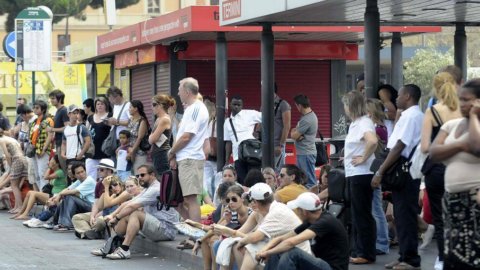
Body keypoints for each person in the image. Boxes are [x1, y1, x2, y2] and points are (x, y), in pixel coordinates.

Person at [371, 84, 424, 270]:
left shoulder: (412, 116)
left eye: (399, 95)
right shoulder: (408, 115)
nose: (396, 99)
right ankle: (404, 256)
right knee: (400, 216)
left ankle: (410, 259)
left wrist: (380, 171)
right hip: (402, 169)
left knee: (405, 215)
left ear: (408, 96)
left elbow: (400, 145)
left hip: (405, 171)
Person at [429, 78, 480, 270]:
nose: (463, 104)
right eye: (461, 99)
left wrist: (475, 116)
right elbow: (434, 153)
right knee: (454, 256)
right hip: (452, 201)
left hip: (474, 201)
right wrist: (460, 144)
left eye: (468, 100)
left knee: (473, 258)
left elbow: (476, 147)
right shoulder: (452, 125)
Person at [419, 71, 461, 270]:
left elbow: (425, 147)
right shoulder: (466, 110)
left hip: (436, 169)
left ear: (436, 88)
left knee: (440, 215)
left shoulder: (433, 111)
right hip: (461, 168)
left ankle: (444, 258)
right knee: (460, 212)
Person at [215, 183, 311, 270]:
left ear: (255, 202)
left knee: (251, 247)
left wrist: (230, 233)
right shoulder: (265, 211)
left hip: (296, 259)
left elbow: (255, 238)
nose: (248, 202)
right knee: (235, 244)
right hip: (284, 253)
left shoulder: (276, 212)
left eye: (249, 199)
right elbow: (243, 233)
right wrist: (229, 233)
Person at [92, 165, 178, 260]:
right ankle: (110, 246)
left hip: (166, 230)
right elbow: (128, 203)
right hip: (156, 226)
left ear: (152, 174)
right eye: (138, 176)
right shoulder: (148, 188)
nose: (140, 178)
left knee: (134, 213)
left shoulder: (155, 189)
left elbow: (132, 206)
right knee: (126, 214)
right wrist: (113, 215)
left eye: (142, 175)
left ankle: (124, 249)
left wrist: (116, 218)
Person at [257, 192, 349, 270]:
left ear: (304, 211)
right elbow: (281, 238)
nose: (296, 212)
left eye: (297, 209)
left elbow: (291, 242)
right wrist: (264, 250)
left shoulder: (325, 221)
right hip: (322, 264)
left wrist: (267, 253)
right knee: (278, 249)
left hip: (333, 268)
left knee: (292, 253)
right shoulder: (311, 220)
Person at [342, 90, 378, 264]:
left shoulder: (364, 123)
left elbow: (372, 141)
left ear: (351, 106)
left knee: (362, 214)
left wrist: (363, 157)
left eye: (346, 105)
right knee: (357, 213)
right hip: (355, 173)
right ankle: (358, 250)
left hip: (361, 173)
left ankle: (365, 252)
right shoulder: (356, 123)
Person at [168, 77, 209, 222]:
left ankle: (196, 235)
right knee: (179, 200)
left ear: (186, 91)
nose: (178, 94)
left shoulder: (196, 108)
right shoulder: (191, 109)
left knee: (191, 199)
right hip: (184, 158)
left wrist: (171, 152)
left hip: (190, 159)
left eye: (179, 90)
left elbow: (186, 137)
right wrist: (174, 155)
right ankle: (191, 231)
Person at [365, 98, 390, 255]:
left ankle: (381, 242)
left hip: (373, 170)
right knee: (375, 207)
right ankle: (380, 241)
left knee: (376, 207)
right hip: (374, 169)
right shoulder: (381, 127)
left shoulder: (377, 129)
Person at [72, 175, 129, 239]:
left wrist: (107, 187)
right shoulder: (108, 193)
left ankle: (90, 233)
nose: (113, 188)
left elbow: (108, 204)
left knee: (99, 222)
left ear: (120, 183)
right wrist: (92, 216)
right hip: (104, 215)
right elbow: (98, 206)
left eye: (115, 185)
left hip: (113, 217)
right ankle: (88, 232)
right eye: (110, 187)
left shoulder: (125, 192)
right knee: (76, 217)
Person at [13, 155, 67, 222]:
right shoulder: (56, 172)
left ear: (57, 163)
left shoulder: (60, 172)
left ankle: (25, 214)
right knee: (30, 192)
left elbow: (45, 177)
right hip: (52, 195)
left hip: (57, 197)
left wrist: (49, 168)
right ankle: (21, 212)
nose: (49, 162)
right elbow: (46, 177)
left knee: (33, 193)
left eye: (52, 161)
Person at [224, 95, 262, 185]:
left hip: (253, 154)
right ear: (230, 105)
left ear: (242, 105)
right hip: (238, 156)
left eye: (239, 105)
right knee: (242, 182)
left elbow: (268, 118)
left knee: (254, 181)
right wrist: (227, 161)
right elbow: (228, 142)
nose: (236, 106)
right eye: (234, 104)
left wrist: (258, 131)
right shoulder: (227, 122)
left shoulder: (249, 114)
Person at [49, 162, 96, 231]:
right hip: (84, 205)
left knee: (69, 197)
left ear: (85, 171)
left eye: (82, 172)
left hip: (92, 207)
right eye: (78, 173)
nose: (81, 174)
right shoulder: (79, 181)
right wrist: (57, 196)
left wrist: (59, 195)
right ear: (74, 175)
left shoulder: (89, 181)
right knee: (65, 198)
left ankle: (66, 224)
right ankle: (56, 222)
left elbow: (72, 191)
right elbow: (67, 189)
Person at [291, 94, 318, 189]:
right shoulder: (308, 117)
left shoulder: (307, 119)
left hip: (306, 153)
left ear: (299, 105)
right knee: (303, 179)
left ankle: (313, 200)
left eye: (296, 106)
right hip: (304, 153)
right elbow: (295, 133)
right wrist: (296, 133)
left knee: (309, 181)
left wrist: (295, 133)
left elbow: (294, 135)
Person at [30, 100, 54, 191]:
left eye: (37, 108)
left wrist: (44, 150)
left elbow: (50, 135)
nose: (35, 110)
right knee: (37, 175)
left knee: (43, 174)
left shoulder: (48, 120)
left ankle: (45, 197)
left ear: (43, 109)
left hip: (43, 151)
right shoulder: (35, 121)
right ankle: (41, 195)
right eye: (34, 108)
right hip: (34, 151)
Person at [86, 97, 112, 180]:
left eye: (102, 104)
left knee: (104, 176)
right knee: (90, 176)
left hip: (105, 150)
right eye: (98, 104)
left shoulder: (110, 115)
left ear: (106, 105)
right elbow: (86, 133)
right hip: (93, 151)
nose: (100, 106)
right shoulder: (90, 118)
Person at [149, 94, 174, 175]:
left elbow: (152, 139)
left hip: (162, 154)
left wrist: (151, 137)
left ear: (161, 105)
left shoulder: (164, 119)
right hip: (157, 154)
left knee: (164, 182)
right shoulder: (159, 119)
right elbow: (151, 138)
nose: (152, 107)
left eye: (154, 105)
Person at [0, 139, 27, 213]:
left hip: (17, 159)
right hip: (22, 158)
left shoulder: (2, 140)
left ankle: (19, 207)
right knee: (15, 186)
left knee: (14, 186)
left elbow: (7, 155)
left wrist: (11, 166)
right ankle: (17, 206)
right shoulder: (10, 140)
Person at [47, 89, 69, 171]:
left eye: (53, 98)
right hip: (59, 143)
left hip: (63, 144)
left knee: (65, 168)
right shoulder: (58, 111)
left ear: (59, 99)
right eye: (51, 98)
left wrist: (52, 129)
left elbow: (67, 128)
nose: (51, 100)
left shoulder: (64, 110)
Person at [127, 100, 149, 173]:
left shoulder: (142, 121)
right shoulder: (130, 119)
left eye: (130, 107)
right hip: (130, 151)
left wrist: (133, 150)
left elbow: (139, 138)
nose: (129, 109)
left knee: (139, 174)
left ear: (136, 109)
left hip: (139, 152)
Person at [274, 84, 291, 171]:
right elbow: (260, 122)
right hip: (265, 144)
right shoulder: (265, 104)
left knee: (278, 171)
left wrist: (281, 145)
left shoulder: (283, 104)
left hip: (277, 144)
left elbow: (287, 126)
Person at [203, 98, 218, 198]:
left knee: (206, 180)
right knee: (217, 178)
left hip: (205, 155)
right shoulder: (215, 123)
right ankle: (215, 199)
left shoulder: (203, 123)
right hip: (214, 155)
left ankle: (208, 199)